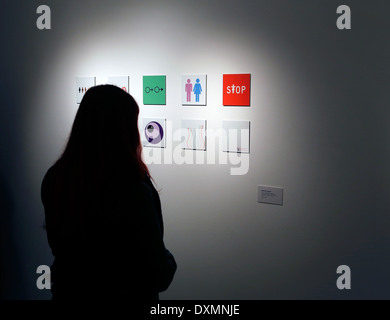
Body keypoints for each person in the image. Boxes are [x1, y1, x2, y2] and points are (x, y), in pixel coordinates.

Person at [41, 85, 177, 300]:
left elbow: (60, 246)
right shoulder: (132, 189)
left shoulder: (55, 178)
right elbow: (158, 273)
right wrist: (169, 261)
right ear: (125, 129)